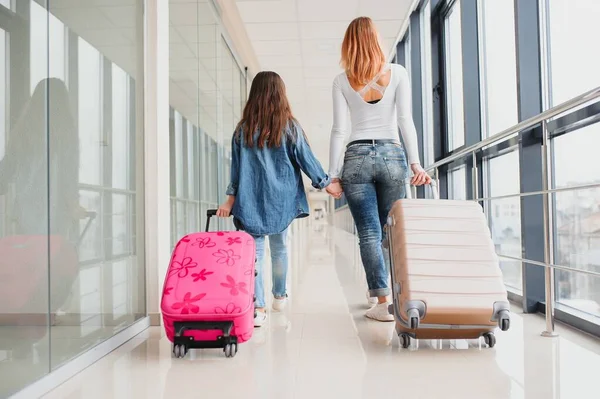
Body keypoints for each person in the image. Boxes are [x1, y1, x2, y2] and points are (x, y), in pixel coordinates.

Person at [327, 17, 431, 322]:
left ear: (349, 44)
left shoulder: (341, 80)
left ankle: (382, 300)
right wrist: (415, 162)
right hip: (392, 155)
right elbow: (405, 121)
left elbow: (338, 130)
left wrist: (333, 176)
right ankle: (403, 295)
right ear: (377, 40)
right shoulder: (397, 73)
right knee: (394, 231)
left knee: (369, 233)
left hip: (356, 157)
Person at [217, 71, 335, 327]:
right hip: (281, 200)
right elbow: (306, 158)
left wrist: (230, 201)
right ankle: (278, 295)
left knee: (255, 255)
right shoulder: (289, 125)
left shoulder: (242, 130)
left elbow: (236, 171)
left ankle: (257, 307)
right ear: (280, 94)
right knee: (279, 249)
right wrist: (325, 183)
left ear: (254, 94)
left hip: (250, 200)